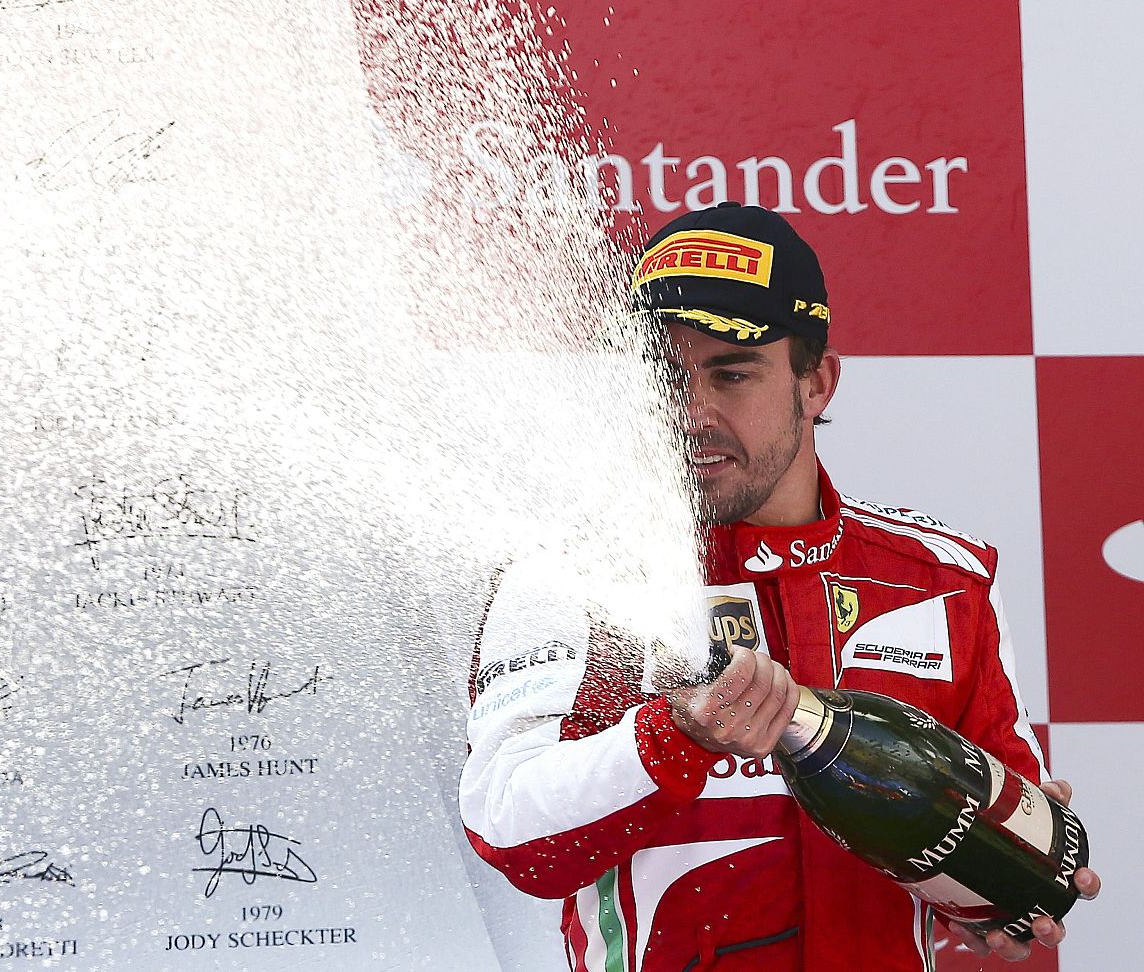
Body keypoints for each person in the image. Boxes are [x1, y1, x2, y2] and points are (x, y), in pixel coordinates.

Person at [459, 203, 1100, 971]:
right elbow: (510, 833)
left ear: (815, 382)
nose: (690, 411)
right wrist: (678, 736)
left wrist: (1004, 896)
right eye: (663, 374)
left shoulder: (941, 579)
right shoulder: (571, 579)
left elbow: (1008, 813)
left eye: (731, 373)